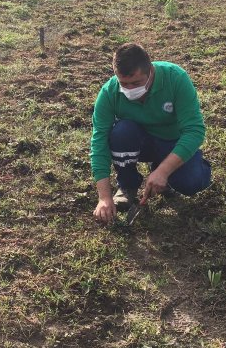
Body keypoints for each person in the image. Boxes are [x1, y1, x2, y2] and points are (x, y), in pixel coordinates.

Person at [91, 43, 212, 224]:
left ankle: (168, 171)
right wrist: (104, 197)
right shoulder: (110, 92)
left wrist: (163, 171)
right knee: (121, 131)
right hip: (140, 142)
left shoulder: (176, 78)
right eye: (124, 83)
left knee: (191, 183)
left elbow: (194, 131)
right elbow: (99, 142)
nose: (130, 90)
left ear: (150, 71)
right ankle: (127, 185)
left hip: (172, 141)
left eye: (136, 83)